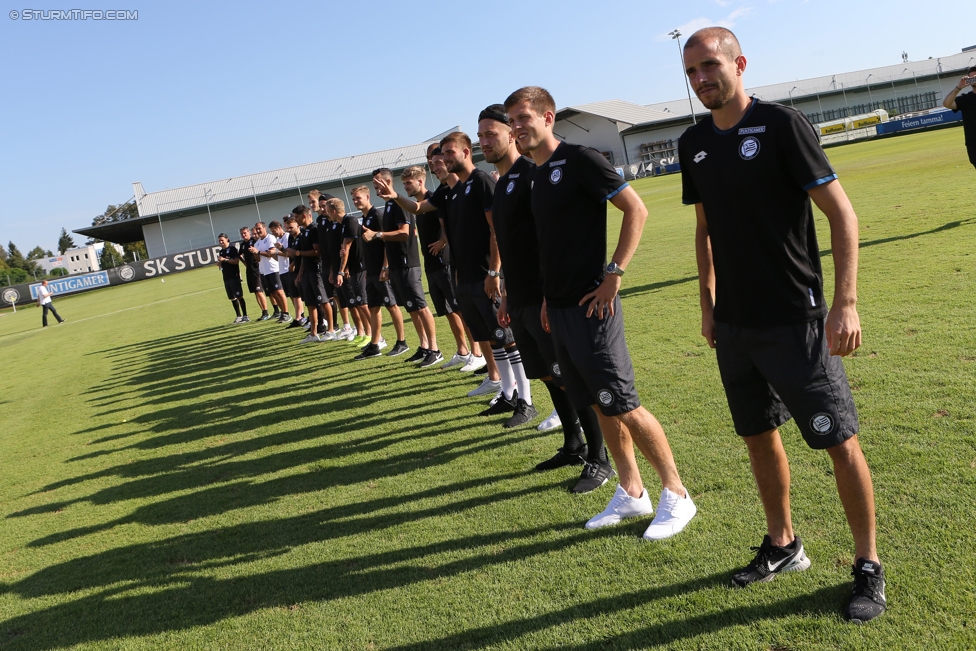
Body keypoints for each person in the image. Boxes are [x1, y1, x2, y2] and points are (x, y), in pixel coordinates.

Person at [679, 27, 885, 623]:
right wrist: (707, 303)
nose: (701, 80)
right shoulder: (693, 143)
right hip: (735, 327)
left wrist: (845, 303)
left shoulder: (781, 125)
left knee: (838, 441)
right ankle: (783, 543)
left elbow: (842, 214)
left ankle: (867, 565)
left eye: (710, 66)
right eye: (691, 72)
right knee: (758, 435)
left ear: (739, 63)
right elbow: (705, 228)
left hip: (796, 320)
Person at [505, 86, 697, 539]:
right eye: (511, 120)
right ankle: (632, 492)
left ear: (548, 117)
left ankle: (677, 495)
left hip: (594, 306)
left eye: (522, 118)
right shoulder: (534, 174)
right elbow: (552, 244)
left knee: (624, 404)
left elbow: (636, 209)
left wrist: (614, 273)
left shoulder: (581, 160)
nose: (516, 127)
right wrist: (550, 298)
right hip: (562, 308)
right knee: (596, 403)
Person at [479, 102, 613, 482]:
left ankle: (599, 458)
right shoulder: (504, 182)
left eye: (493, 132)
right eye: (481, 135)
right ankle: (573, 445)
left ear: (511, 133)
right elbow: (511, 243)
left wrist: (544, 297)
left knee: (569, 377)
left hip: (544, 298)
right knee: (547, 376)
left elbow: (547, 241)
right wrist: (506, 293)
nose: (486, 141)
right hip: (519, 298)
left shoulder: (531, 174)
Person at [375, 132, 515, 400]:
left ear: (465, 152)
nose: (439, 163)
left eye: (444, 156)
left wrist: (495, 271)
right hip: (463, 275)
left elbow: (496, 230)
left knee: (504, 336)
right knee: (484, 332)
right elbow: (417, 209)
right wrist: (394, 196)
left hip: (486, 274)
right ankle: (498, 382)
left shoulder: (481, 180)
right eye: (434, 160)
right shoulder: (448, 190)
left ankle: (518, 393)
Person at [364, 167, 442, 368]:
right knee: (412, 308)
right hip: (397, 265)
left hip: (408, 263)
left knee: (421, 307)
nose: (377, 189)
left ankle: (435, 349)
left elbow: (405, 233)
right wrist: (388, 264)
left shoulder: (399, 204)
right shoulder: (389, 206)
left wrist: (378, 235)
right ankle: (424, 346)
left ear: (389, 182)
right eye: (375, 186)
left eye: (380, 184)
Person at [409, 146, 479, 369]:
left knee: (460, 309)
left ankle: (476, 353)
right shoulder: (439, 192)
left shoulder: (443, 193)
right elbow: (420, 211)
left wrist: (442, 242)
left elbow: (446, 224)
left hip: (446, 262)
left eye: (436, 158)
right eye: (430, 159)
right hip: (431, 264)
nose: (433, 162)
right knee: (448, 311)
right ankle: (462, 350)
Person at [350, 185, 406, 359]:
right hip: (371, 271)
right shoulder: (363, 219)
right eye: (353, 199)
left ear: (368, 197)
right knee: (373, 307)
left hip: (382, 270)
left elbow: (386, 242)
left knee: (391, 305)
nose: (356, 201)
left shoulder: (377, 216)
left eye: (358, 198)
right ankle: (374, 344)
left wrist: (385, 266)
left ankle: (402, 342)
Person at [326, 197, 371, 344]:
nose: (327, 214)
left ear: (333, 211)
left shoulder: (350, 221)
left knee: (362, 303)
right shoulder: (340, 224)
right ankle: (364, 334)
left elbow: (346, 248)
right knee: (356, 303)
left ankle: (375, 336)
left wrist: (340, 271)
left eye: (327, 211)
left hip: (359, 268)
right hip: (350, 269)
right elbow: (339, 250)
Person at [292, 205, 331, 343]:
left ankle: (331, 330)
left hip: (317, 270)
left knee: (324, 301)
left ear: (304, 216)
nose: (295, 220)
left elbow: (316, 251)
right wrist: (300, 272)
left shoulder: (314, 230)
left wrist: (298, 253)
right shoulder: (303, 232)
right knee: (310, 303)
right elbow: (303, 256)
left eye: (296, 217)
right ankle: (313, 333)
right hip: (307, 272)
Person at [272, 217, 306, 329]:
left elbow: (289, 253)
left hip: (289, 268)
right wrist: (275, 254)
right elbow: (282, 256)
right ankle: (299, 316)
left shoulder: (287, 237)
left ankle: (301, 316)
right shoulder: (282, 238)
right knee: (292, 295)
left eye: (273, 231)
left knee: (297, 295)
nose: (288, 229)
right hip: (283, 270)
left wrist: (279, 250)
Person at [943, 66, 976, 171]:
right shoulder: (965, 99)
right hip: (974, 143)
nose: (974, 79)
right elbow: (947, 104)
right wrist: (958, 88)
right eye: (971, 77)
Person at [215, 233, 249, 324]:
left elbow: (236, 261)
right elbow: (222, 264)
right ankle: (238, 316)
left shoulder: (232, 249)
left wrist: (225, 260)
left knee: (239, 296)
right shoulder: (221, 251)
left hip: (234, 276)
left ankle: (246, 316)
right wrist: (219, 264)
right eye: (219, 241)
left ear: (227, 239)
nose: (221, 242)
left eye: (222, 240)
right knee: (232, 298)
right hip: (226, 277)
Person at [239, 226, 270, 320]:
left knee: (260, 291)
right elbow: (239, 254)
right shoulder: (243, 244)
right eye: (242, 234)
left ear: (249, 233)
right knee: (255, 292)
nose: (243, 235)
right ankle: (263, 312)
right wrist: (245, 263)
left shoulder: (254, 241)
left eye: (245, 233)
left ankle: (266, 312)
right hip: (249, 270)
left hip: (257, 270)